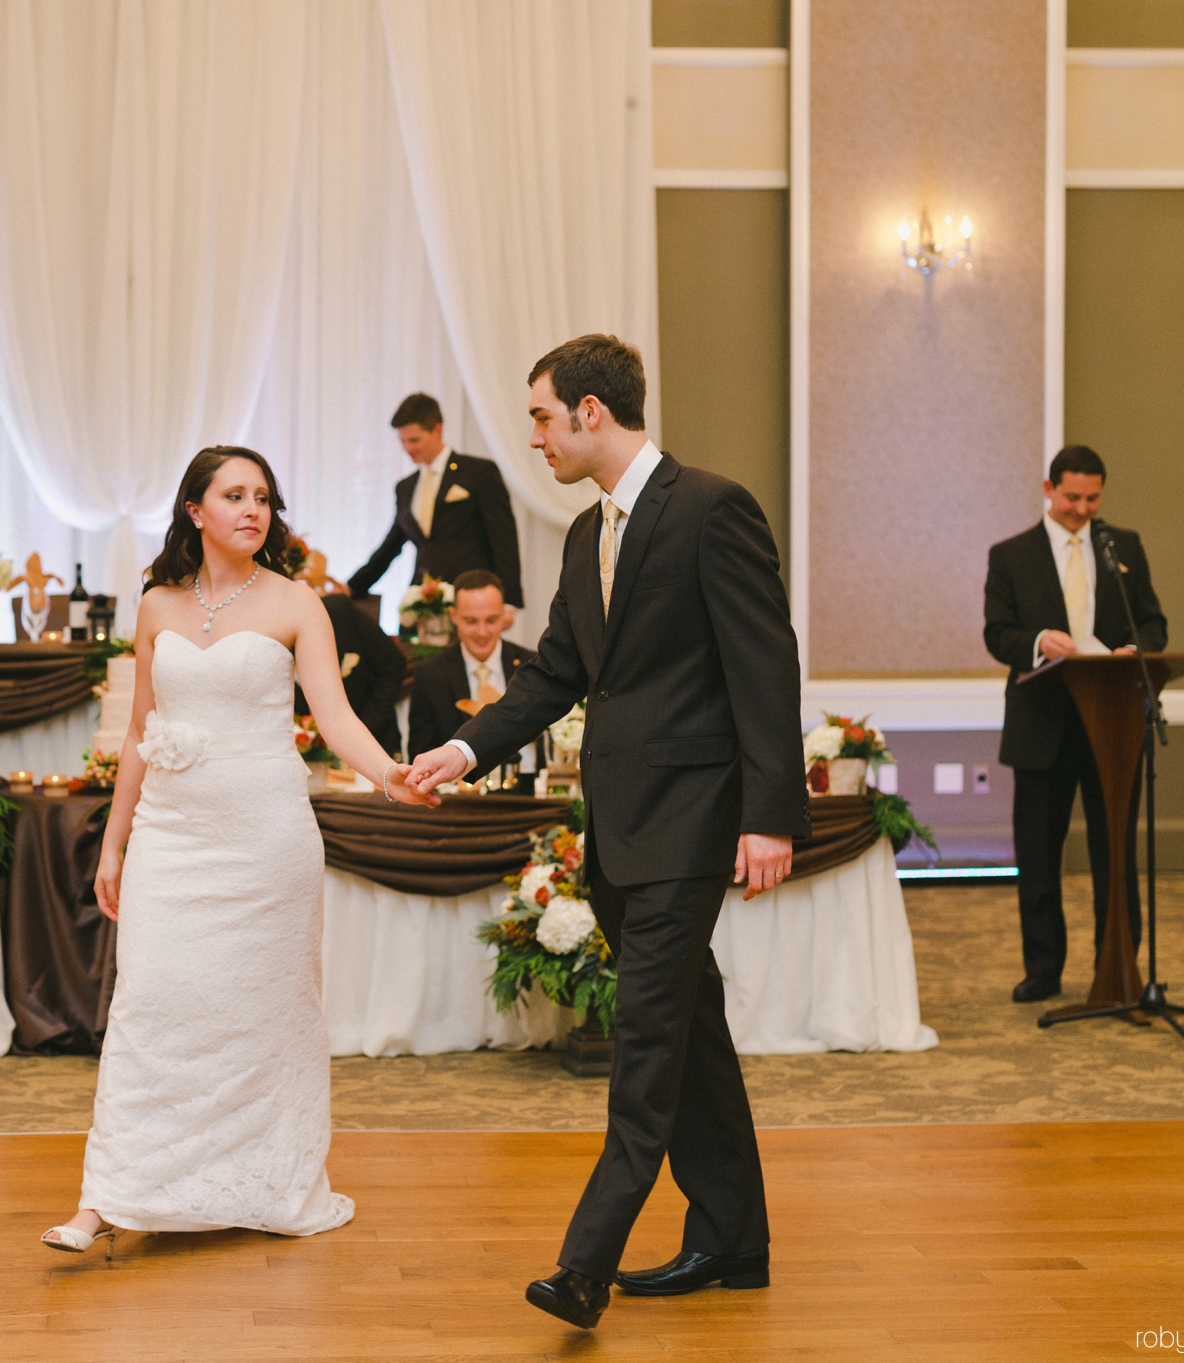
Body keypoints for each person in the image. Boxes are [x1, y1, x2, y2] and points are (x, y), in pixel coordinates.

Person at [407, 335, 808, 1329]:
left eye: (541, 414)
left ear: (591, 410)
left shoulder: (711, 509)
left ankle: (584, 1265)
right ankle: (733, 1239)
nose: (533, 435)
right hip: (620, 828)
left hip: (692, 822)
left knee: (644, 1039)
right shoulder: (586, 538)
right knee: (692, 1035)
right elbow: (552, 676)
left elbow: (764, 665)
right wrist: (463, 750)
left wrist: (769, 815)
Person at [42, 446, 433, 1256]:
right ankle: (109, 1196)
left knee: (261, 1010)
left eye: (263, 497)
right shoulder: (155, 605)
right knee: (150, 1007)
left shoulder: (298, 603)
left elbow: (335, 717)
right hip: (170, 839)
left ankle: (266, 1178)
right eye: (233, 495)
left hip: (266, 838)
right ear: (195, 510)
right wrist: (113, 844)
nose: (252, 509)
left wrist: (390, 774)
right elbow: (141, 736)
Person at [982, 444, 1166, 1004]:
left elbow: (1153, 623)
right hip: (1043, 726)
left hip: (1111, 726)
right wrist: (1039, 641)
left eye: (1093, 498)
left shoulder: (1122, 547)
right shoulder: (1011, 555)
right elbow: (997, 634)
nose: (1083, 509)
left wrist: (1138, 648)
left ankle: (1117, 967)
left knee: (1116, 852)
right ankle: (1043, 968)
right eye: (1072, 497)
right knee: (1038, 856)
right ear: (1048, 489)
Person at [346, 392, 525, 608]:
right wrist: (352, 586)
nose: (407, 448)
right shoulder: (405, 487)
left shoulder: (478, 473)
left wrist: (508, 601)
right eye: (402, 441)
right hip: (421, 600)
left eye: (414, 440)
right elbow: (390, 547)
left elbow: (504, 540)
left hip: (470, 600)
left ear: (437, 430)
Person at [408, 568, 537, 763]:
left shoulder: (533, 665)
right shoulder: (430, 675)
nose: (482, 632)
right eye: (471, 621)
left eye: (491, 620)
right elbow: (421, 755)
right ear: (454, 617)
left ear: (504, 615)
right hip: (456, 790)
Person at [297, 593, 406, 756]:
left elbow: (392, 664)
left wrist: (360, 732)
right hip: (300, 751)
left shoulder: (340, 613)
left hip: (370, 739)